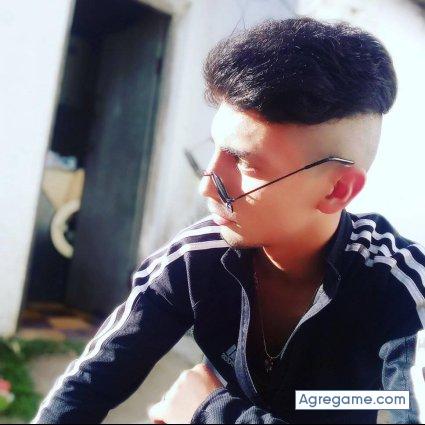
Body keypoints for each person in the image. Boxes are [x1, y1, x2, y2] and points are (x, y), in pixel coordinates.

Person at [33, 17, 425, 424]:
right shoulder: (194, 260)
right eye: (216, 149)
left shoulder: (402, 288)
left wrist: (210, 411)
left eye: (244, 162)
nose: (207, 186)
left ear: (336, 190)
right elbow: (86, 386)